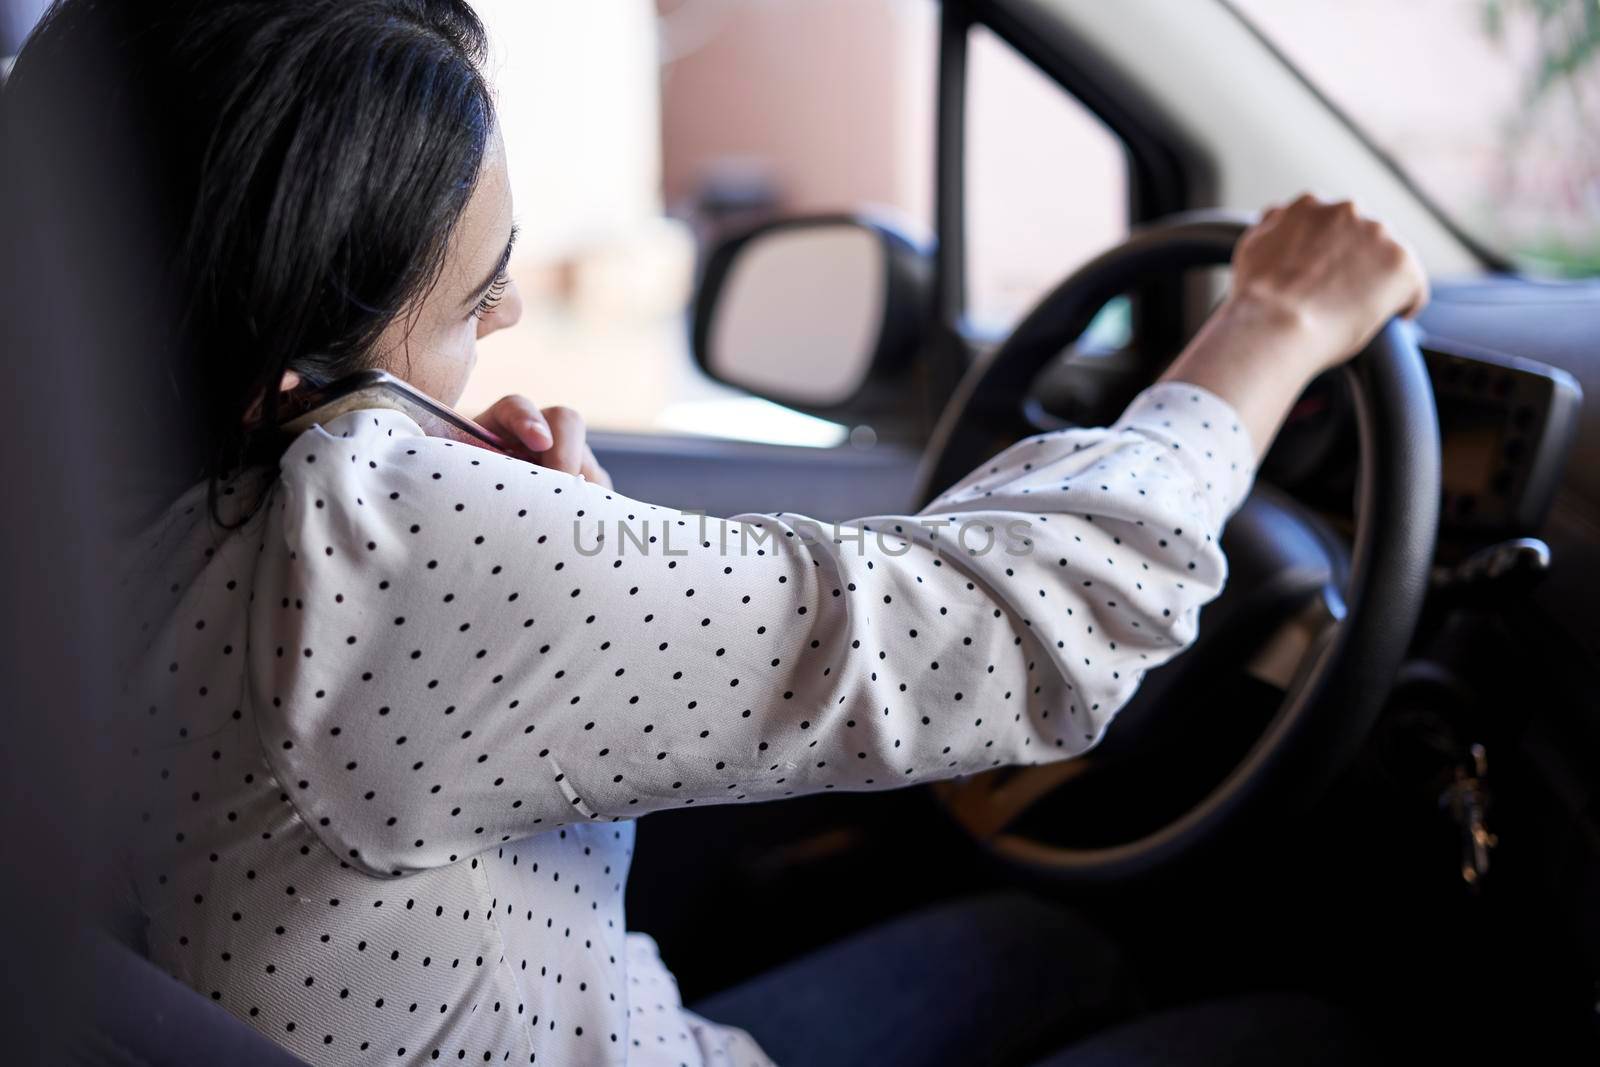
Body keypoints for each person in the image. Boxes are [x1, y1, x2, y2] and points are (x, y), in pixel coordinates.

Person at [4, 2, 1426, 1065]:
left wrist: (573, 557)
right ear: (284, 367)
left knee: (1039, 942)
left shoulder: (90, 498)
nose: (503, 329)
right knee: (1307, 1030)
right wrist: (1272, 328)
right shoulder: (362, 545)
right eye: (468, 302)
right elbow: (1039, 627)